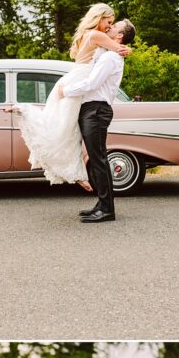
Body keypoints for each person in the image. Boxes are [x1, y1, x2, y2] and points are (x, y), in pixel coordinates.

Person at [15, 3, 130, 191]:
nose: (109, 26)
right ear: (99, 18)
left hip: (73, 78)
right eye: (108, 22)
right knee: (67, 130)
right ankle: (74, 173)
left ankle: (75, 173)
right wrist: (127, 49)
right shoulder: (97, 35)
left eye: (112, 24)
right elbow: (119, 49)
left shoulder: (84, 35)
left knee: (65, 127)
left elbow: (83, 54)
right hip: (80, 81)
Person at [57, 18, 136, 224]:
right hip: (92, 109)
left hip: (97, 110)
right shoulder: (107, 53)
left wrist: (65, 91)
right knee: (97, 159)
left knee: (98, 159)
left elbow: (92, 83)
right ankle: (102, 204)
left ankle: (107, 209)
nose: (110, 27)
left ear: (119, 36)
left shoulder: (110, 58)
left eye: (115, 26)